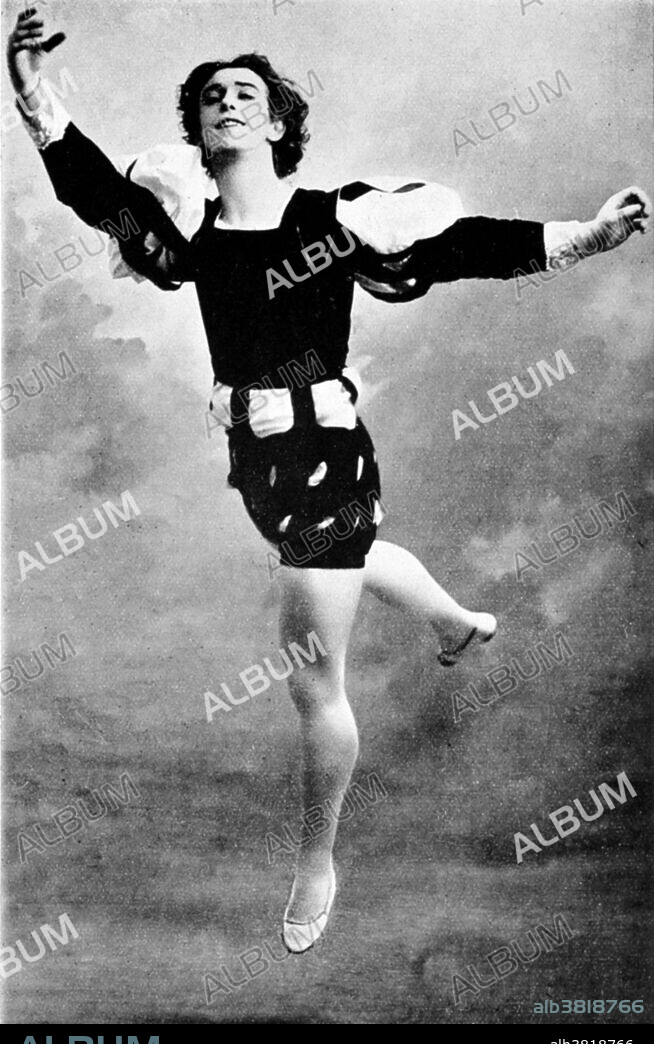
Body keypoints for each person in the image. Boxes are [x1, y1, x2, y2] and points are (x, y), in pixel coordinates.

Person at [8, 8, 650, 954]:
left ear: (275, 124)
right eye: (211, 96)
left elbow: (460, 244)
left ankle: (317, 858)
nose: (227, 100)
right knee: (343, 566)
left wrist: (582, 238)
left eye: (247, 93)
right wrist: (30, 92)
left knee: (314, 677)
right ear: (200, 130)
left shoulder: (334, 218)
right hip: (255, 454)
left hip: (328, 452)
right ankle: (453, 621)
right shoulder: (193, 233)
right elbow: (96, 192)